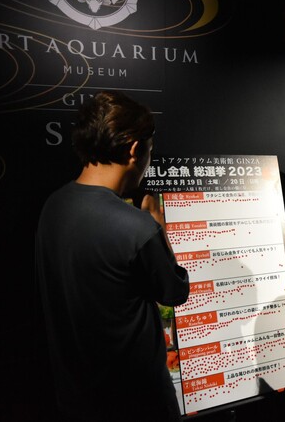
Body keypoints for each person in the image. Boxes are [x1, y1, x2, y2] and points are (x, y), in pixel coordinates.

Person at [35, 90, 190, 422]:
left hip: (76, 399)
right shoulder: (136, 227)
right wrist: (156, 221)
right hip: (138, 402)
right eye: (150, 149)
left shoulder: (52, 207)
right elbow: (175, 291)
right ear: (135, 150)